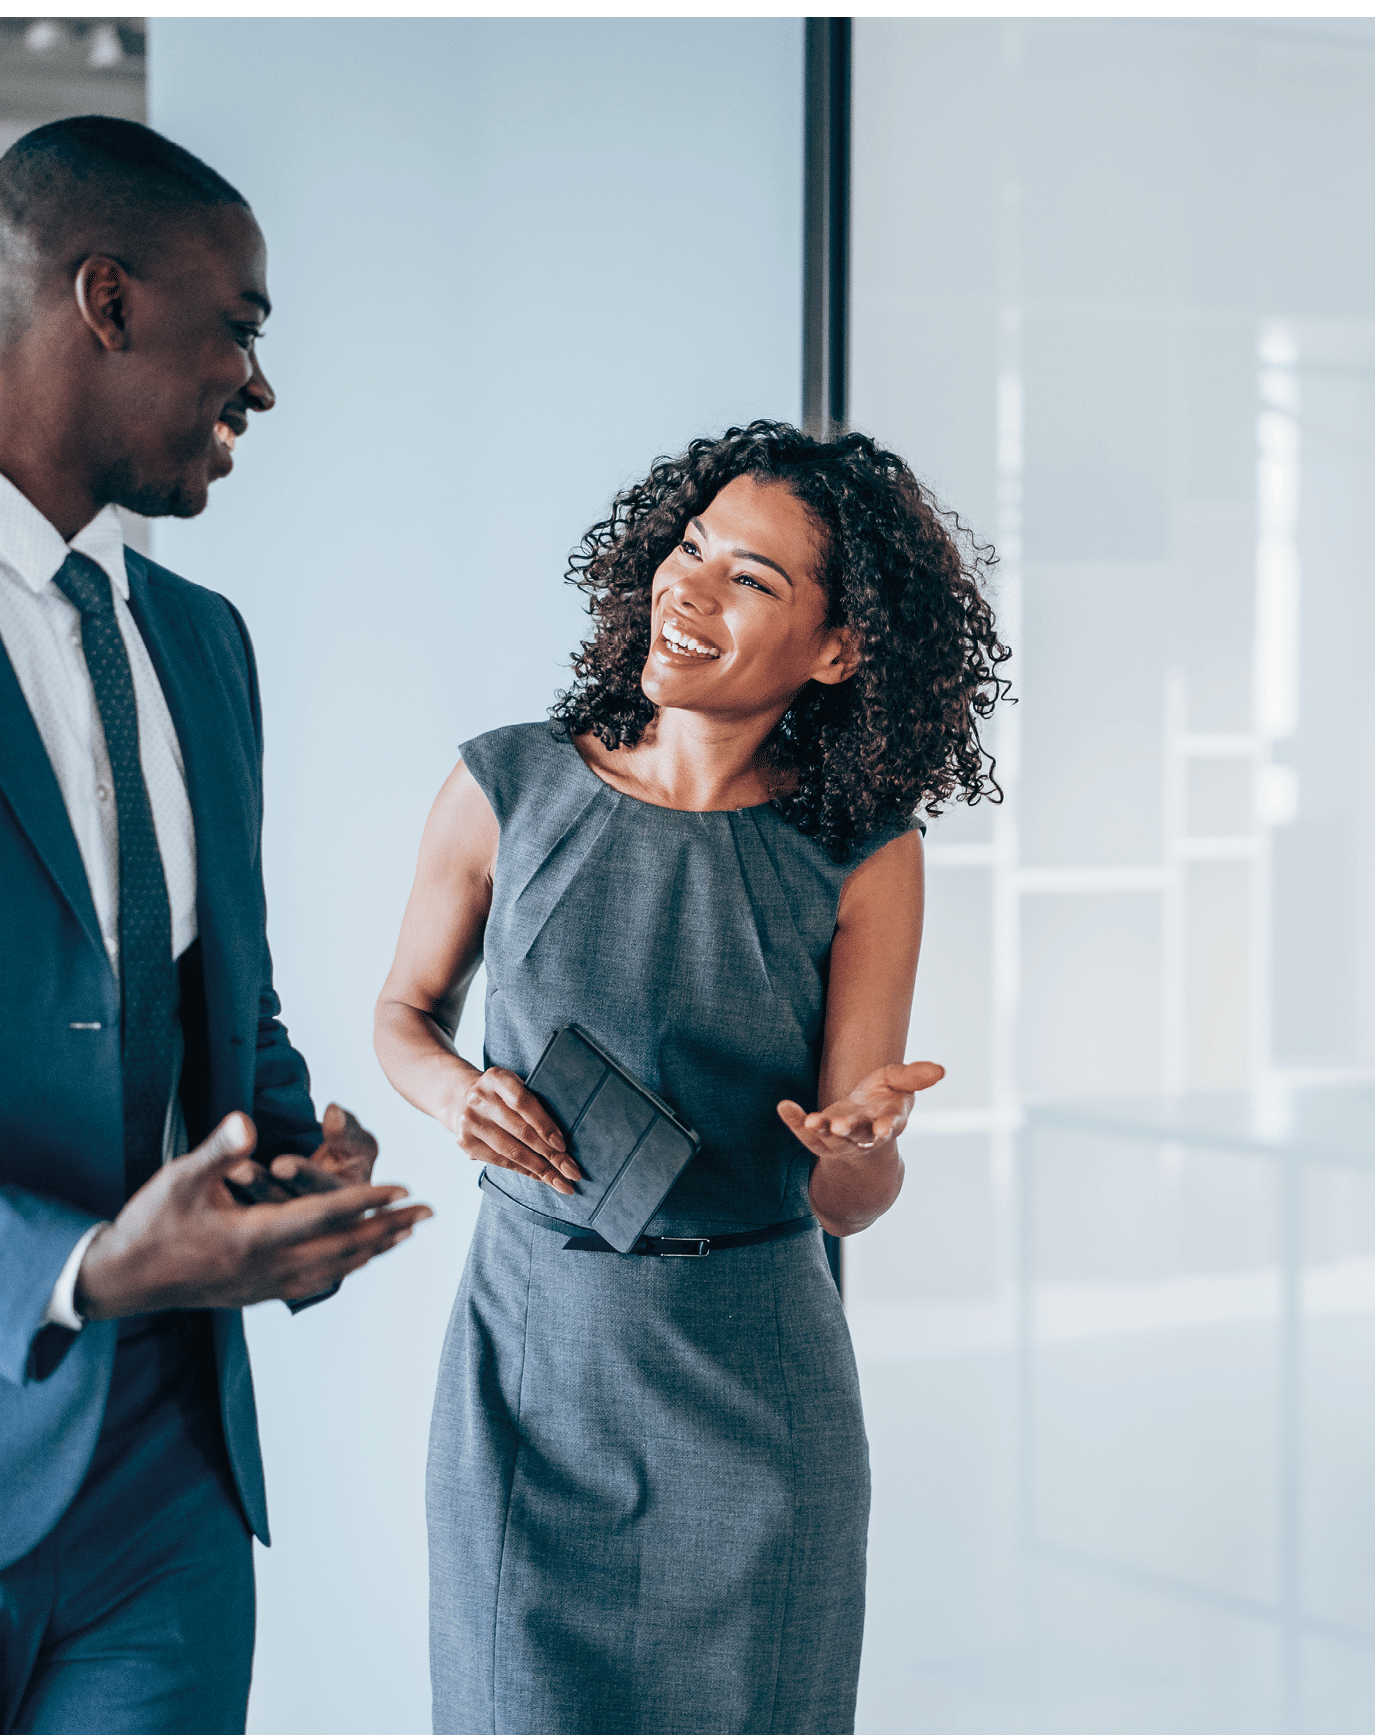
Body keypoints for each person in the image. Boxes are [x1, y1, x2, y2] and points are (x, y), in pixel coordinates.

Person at [375, 419, 1009, 1733]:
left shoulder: (862, 853)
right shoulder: (507, 783)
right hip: (531, 1364)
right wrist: (453, 1094)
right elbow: (403, 1013)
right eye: (689, 546)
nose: (688, 585)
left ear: (839, 650)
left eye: (750, 579)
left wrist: (862, 1141)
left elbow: (846, 1200)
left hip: (754, 1381)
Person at [0, 117, 431, 1734]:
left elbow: (232, 1003)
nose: (261, 384)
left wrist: (285, 1169)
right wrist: (82, 1265)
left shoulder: (200, 646)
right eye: (241, 326)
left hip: (170, 1484)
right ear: (106, 300)